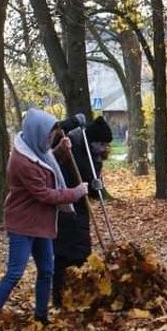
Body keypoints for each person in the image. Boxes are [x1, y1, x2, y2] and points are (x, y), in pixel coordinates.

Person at [0, 109, 88, 331]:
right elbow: (45, 194)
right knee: (15, 273)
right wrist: (75, 193)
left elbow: (48, 165)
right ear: (37, 133)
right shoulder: (22, 161)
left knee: (47, 270)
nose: (51, 140)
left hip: (41, 223)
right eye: (49, 136)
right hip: (22, 224)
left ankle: (41, 315)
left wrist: (61, 151)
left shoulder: (36, 150)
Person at [51, 116, 114, 307]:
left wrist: (97, 186)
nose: (103, 148)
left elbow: (93, 189)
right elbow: (53, 129)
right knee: (65, 256)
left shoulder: (94, 157)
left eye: (105, 144)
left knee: (82, 254)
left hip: (81, 209)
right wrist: (73, 121)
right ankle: (61, 299)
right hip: (64, 208)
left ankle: (80, 296)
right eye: (101, 143)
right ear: (91, 141)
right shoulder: (70, 144)